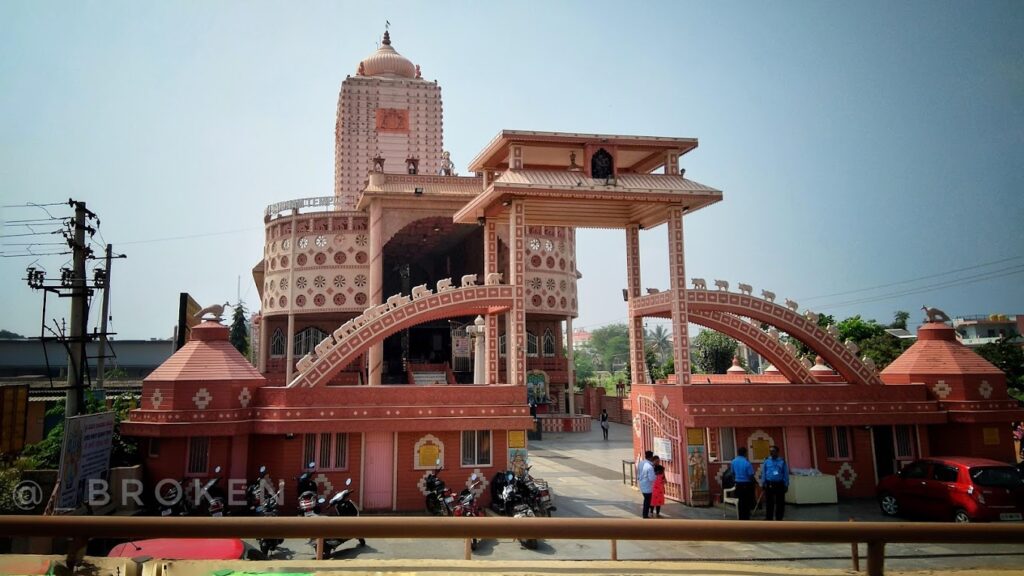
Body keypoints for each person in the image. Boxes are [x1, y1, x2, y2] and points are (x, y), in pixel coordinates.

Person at [761, 445, 790, 520]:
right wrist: (763, 482)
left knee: (780, 503)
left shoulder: (782, 461)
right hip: (769, 483)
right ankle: (769, 518)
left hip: (779, 484)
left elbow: (785, 473)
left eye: (773, 451)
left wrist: (786, 484)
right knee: (769, 503)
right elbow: (764, 472)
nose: (771, 452)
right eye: (770, 451)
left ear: (777, 452)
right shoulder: (767, 461)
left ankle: (779, 518)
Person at [731, 446, 755, 520]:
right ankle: (746, 518)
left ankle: (740, 518)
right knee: (746, 502)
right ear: (745, 453)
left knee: (740, 502)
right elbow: (751, 475)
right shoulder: (747, 462)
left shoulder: (733, 461)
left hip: (738, 484)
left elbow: (733, 473)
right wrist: (753, 483)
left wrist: (735, 481)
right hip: (746, 484)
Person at [637, 450, 655, 518]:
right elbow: (651, 478)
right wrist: (655, 476)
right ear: (651, 457)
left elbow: (638, 472)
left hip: (642, 484)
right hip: (648, 486)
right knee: (647, 501)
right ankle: (645, 514)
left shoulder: (641, 463)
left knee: (646, 500)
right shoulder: (650, 467)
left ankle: (645, 513)